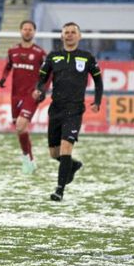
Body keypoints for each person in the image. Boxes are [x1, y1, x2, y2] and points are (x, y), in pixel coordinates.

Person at [33, 22, 103, 202]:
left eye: (73, 32)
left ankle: (59, 189)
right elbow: (41, 79)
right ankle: (73, 165)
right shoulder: (53, 57)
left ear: (79, 36)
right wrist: (39, 90)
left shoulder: (87, 57)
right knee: (54, 153)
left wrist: (97, 101)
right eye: (67, 32)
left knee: (66, 147)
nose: (70, 35)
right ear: (62, 36)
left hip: (75, 110)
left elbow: (98, 82)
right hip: (56, 109)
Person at [0, 20, 47, 174]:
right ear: (20, 31)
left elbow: (48, 73)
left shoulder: (40, 53)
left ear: (34, 32)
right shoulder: (12, 51)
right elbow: (8, 67)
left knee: (20, 125)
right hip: (15, 95)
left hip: (31, 95)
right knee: (21, 129)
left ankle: (26, 159)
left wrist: (41, 89)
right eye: (25, 29)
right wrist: (3, 77)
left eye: (30, 29)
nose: (27, 32)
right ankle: (30, 160)